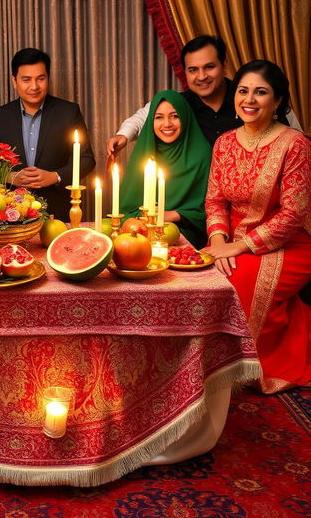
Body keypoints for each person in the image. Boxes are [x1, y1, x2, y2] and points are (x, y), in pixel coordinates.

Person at [203, 60, 311, 393]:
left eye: (260, 92)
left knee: (237, 280)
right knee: (199, 276)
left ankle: (236, 371)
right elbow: (215, 201)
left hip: (290, 243)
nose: (249, 99)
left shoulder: (295, 145)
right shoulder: (224, 143)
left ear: (277, 101)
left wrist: (236, 248)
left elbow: (294, 213)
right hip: (231, 240)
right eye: (243, 91)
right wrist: (219, 240)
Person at [106, 35, 302, 156]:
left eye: (209, 67)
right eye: (193, 70)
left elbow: (295, 138)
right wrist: (124, 135)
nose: (202, 77)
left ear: (224, 65)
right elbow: (143, 116)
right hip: (198, 204)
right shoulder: (181, 103)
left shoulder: (248, 98)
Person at [0, 48, 95, 220]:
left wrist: (55, 176)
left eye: (40, 79)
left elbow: (87, 160)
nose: (34, 86)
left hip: (57, 213)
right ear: (14, 81)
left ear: (48, 78)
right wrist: (11, 177)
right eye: (26, 80)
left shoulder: (68, 112)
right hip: (10, 215)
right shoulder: (0, 116)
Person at [120, 89, 211, 248]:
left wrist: (172, 215)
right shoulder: (144, 152)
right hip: (141, 230)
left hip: (185, 231)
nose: (167, 124)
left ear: (185, 116)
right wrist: (145, 220)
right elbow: (126, 210)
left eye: (175, 116)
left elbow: (209, 209)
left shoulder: (202, 154)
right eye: (159, 117)